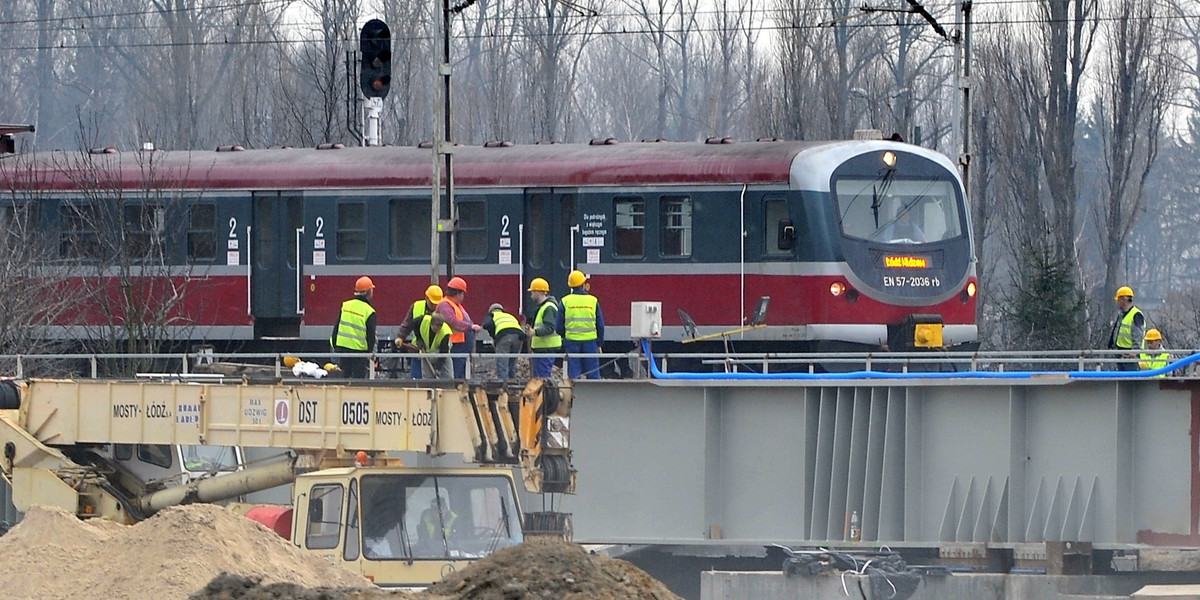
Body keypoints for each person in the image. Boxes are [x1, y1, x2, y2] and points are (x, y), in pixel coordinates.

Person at [558, 270, 605, 380]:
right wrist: (599, 343)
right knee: (593, 373)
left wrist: (566, 336)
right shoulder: (593, 300)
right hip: (590, 342)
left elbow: (558, 327)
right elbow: (600, 325)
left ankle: (575, 396)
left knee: (574, 375)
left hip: (572, 342)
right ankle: (593, 396)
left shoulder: (565, 301)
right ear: (583, 284)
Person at [330, 276, 377, 378]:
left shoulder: (345, 305)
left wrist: (335, 345)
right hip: (359, 353)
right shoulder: (369, 311)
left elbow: (336, 327)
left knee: (345, 378)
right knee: (358, 382)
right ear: (369, 293)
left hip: (342, 349)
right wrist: (369, 352)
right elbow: (371, 336)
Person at [438, 276, 482, 378]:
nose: (463, 296)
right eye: (462, 293)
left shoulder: (455, 305)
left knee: (461, 375)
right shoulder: (445, 304)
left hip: (461, 345)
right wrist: (471, 326)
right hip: (455, 345)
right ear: (458, 293)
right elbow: (452, 321)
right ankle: (452, 392)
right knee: (454, 374)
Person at [396, 285, 443, 379]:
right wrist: (401, 337)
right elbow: (407, 324)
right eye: (432, 303)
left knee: (436, 382)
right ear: (426, 298)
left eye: (436, 303)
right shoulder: (417, 306)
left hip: (436, 352)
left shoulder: (443, 309)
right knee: (416, 380)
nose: (434, 306)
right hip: (418, 350)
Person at [526, 277, 562, 379]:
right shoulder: (544, 307)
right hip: (543, 348)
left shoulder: (548, 307)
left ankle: (544, 395)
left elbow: (550, 327)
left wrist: (534, 332)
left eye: (532, 292)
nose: (531, 294)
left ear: (539, 292)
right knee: (541, 378)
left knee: (542, 379)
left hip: (546, 349)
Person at [482, 303, 525, 381]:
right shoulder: (509, 315)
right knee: (512, 364)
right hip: (519, 337)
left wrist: (494, 337)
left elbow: (486, 325)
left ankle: (504, 386)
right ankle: (513, 385)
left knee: (502, 364)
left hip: (504, 337)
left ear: (491, 311)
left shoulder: (491, 315)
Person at [1107, 285, 1144, 372]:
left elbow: (1138, 335)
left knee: (1130, 379)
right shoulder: (1121, 314)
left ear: (1124, 300)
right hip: (1121, 352)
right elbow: (1117, 330)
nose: (1118, 303)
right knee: (1122, 379)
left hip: (1130, 354)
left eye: (1119, 300)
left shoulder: (1136, 315)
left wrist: (1134, 352)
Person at [415, 313, 453, 379]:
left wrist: (437, 368)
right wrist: (419, 339)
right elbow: (414, 324)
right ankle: (428, 388)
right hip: (426, 352)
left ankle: (449, 387)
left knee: (449, 376)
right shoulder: (423, 320)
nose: (438, 328)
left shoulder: (445, 332)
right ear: (431, 323)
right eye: (436, 325)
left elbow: (444, 352)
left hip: (441, 352)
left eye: (440, 326)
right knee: (427, 378)